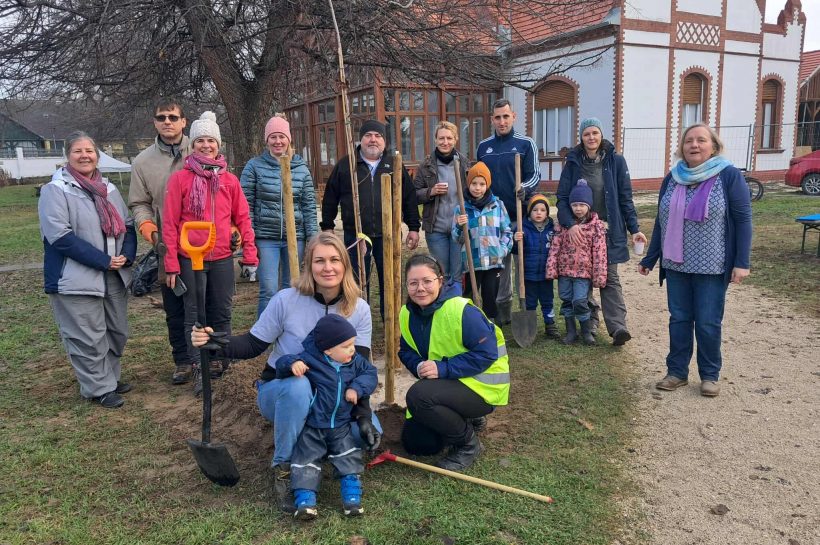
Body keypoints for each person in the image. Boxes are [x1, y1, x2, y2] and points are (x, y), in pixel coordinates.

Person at [191, 232, 382, 512]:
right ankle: (284, 468)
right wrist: (216, 344)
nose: (327, 268)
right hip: (282, 392)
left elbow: (359, 369)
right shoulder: (286, 300)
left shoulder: (359, 309)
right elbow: (252, 344)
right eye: (319, 261)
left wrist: (364, 415)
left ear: (345, 264)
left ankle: (315, 448)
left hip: (331, 400)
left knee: (371, 431)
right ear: (308, 265)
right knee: (298, 385)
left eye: (334, 260)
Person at [638, 123, 752, 397]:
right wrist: (651, 258)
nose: (694, 145)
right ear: (682, 147)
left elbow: (743, 219)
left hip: (712, 265)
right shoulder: (673, 177)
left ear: (713, 145)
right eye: (689, 140)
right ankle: (676, 372)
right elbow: (661, 221)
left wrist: (742, 262)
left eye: (701, 140)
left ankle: (710, 375)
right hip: (676, 264)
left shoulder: (728, 176)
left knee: (707, 321)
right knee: (679, 319)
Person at [39, 131, 137, 408]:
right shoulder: (56, 190)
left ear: (97, 155)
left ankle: (110, 378)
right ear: (67, 156)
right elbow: (60, 237)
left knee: (117, 331)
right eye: (77, 151)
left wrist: (126, 256)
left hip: (113, 275)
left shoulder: (109, 189)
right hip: (75, 277)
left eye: (89, 151)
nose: (84, 156)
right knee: (87, 335)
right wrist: (102, 260)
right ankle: (98, 388)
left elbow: (127, 225)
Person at [162, 111, 258, 393]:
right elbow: (169, 223)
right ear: (192, 146)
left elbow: (243, 219)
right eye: (200, 140)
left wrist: (250, 254)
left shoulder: (229, 181)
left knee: (221, 310)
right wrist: (171, 263)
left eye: (211, 141)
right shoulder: (180, 179)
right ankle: (197, 365)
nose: (206, 145)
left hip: (220, 257)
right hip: (190, 257)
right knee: (194, 312)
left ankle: (218, 357)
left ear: (218, 145)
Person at [398, 254, 509, 472]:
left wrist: (443, 368)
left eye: (427, 281)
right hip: (449, 385)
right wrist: (418, 366)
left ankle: (468, 444)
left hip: (482, 387)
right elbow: (406, 350)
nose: (420, 288)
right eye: (413, 283)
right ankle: (462, 420)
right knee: (419, 444)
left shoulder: (462, 311)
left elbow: (487, 354)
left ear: (440, 280)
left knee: (418, 396)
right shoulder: (407, 313)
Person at [276, 314, 378, 520]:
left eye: (353, 344)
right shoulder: (310, 359)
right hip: (313, 426)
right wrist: (292, 363)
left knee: (349, 456)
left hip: (340, 426)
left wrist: (357, 388)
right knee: (305, 461)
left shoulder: (356, 362)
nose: (353, 349)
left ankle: (352, 501)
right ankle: (306, 503)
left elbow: (371, 374)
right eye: (347, 346)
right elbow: (281, 363)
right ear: (328, 349)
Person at [556, 117, 646, 346]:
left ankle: (617, 328)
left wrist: (634, 229)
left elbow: (625, 198)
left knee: (609, 278)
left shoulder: (616, 161)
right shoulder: (573, 163)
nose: (591, 137)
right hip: (581, 231)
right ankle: (590, 322)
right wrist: (571, 224)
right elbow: (562, 197)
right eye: (587, 134)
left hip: (608, 230)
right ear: (581, 137)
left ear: (601, 135)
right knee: (582, 276)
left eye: (595, 133)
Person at [320, 119, 421, 317]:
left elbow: (408, 197)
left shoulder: (394, 165)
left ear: (384, 142)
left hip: (388, 235)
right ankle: (357, 318)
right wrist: (328, 227)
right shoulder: (347, 165)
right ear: (361, 140)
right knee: (355, 280)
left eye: (378, 136)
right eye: (368, 136)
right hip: (356, 235)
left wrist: (414, 227)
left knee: (389, 279)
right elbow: (330, 197)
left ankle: (390, 318)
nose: (373, 140)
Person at [128, 98, 195, 385]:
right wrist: (151, 232)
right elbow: (139, 203)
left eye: (172, 117)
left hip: (203, 241)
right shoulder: (142, 162)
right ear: (154, 122)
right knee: (175, 305)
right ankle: (182, 360)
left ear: (184, 121)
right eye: (161, 117)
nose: (167, 122)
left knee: (208, 301)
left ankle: (212, 355)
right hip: (167, 245)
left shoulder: (201, 148)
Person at [241, 114, 318, 317]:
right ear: (266, 140)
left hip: (296, 238)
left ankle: (288, 330)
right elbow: (245, 204)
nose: (278, 141)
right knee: (268, 288)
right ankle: (263, 334)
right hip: (267, 238)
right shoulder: (254, 166)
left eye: (281, 136)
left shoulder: (301, 168)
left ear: (289, 139)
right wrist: (249, 235)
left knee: (291, 287)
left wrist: (313, 238)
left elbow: (309, 204)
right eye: (273, 137)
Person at [476, 98, 539, 324]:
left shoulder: (525, 144)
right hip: (494, 219)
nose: (502, 121)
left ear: (514, 116)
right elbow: (479, 179)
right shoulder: (484, 147)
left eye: (506, 116)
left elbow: (535, 175)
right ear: (492, 119)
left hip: (519, 216)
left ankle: (524, 306)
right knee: (500, 267)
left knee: (522, 265)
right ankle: (503, 311)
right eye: (498, 117)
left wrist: (526, 187)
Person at [547, 180, 608, 345]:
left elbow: (600, 252)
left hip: (583, 273)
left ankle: (586, 331)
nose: (578, 208)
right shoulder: (563, 226)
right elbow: (554, 247)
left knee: (580, 301)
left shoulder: (596, 227)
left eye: (582, 204)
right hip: (564, 272)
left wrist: (599, 275)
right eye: (574, 205)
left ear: (589, 205)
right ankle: (571, 332)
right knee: (566, 300)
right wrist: (552, 269)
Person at [452, 161, 513, 321]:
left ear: (487, 184)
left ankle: (492, 327)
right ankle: (471, 326)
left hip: (493, 261)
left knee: (490, 295)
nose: (477, 188)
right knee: (470, 296)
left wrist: (502, 250)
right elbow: (456, 238)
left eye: (481, 184)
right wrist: (459, 225)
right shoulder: (461, 208)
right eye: (474, 183)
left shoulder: (497, 205)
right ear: (468, 183)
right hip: (473, 262)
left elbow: (507, 231)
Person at [413, 120, 469, 282]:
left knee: (457, 273)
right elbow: (414, 195)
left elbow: (473, 193)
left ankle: (455, 305)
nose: (445, 142)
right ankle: (442, 305)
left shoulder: (464, 163)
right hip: (436, 229)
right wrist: (431, 191)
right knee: (441, 273)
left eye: (449, 138)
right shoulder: (426, 165)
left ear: (456, 139)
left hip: (458, 228)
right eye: (441, 138)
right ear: (436, 140)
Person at [513, 193, 560, 339]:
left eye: (542, 210)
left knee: (547, 300)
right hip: (529, 274)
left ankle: (550, 324)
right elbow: (515, 251)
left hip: (546, 274)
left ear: (547, 212)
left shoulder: (552, 229)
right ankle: (529, 325)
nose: (538, 213)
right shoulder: (523, 228)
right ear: (529, 212)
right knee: (530, 301)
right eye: (535, 210)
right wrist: (516, 240)